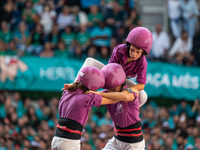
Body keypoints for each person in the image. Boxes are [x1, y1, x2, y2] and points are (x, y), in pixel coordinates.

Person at [63, 27, 153, 107]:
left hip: (123, 82)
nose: (133, 54)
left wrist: (128, 91)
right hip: (109, 73)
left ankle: (123, 109)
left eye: (138, 52)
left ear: (143, 53)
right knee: (89, 60)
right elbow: (110, 69)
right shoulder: (119, 49)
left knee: (143, 96)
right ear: (128, 46)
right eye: (132, 50)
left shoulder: (143, 62)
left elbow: (141, 85)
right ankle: (75, 86)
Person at [51, 66, 135, 150]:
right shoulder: (87, 97)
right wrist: (124, 86)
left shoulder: (67, 91)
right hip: (69, 141)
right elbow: (114, 99)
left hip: (56, 138)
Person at [89, 63, 145, 150]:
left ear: (122, 83)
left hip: (133, 143)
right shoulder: (107, 93)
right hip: (116, 140)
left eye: (113, 89)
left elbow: (125, 97)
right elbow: (91, 99)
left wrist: (99, 93)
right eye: (108, 88)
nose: (110, 91)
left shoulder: (132, 91)